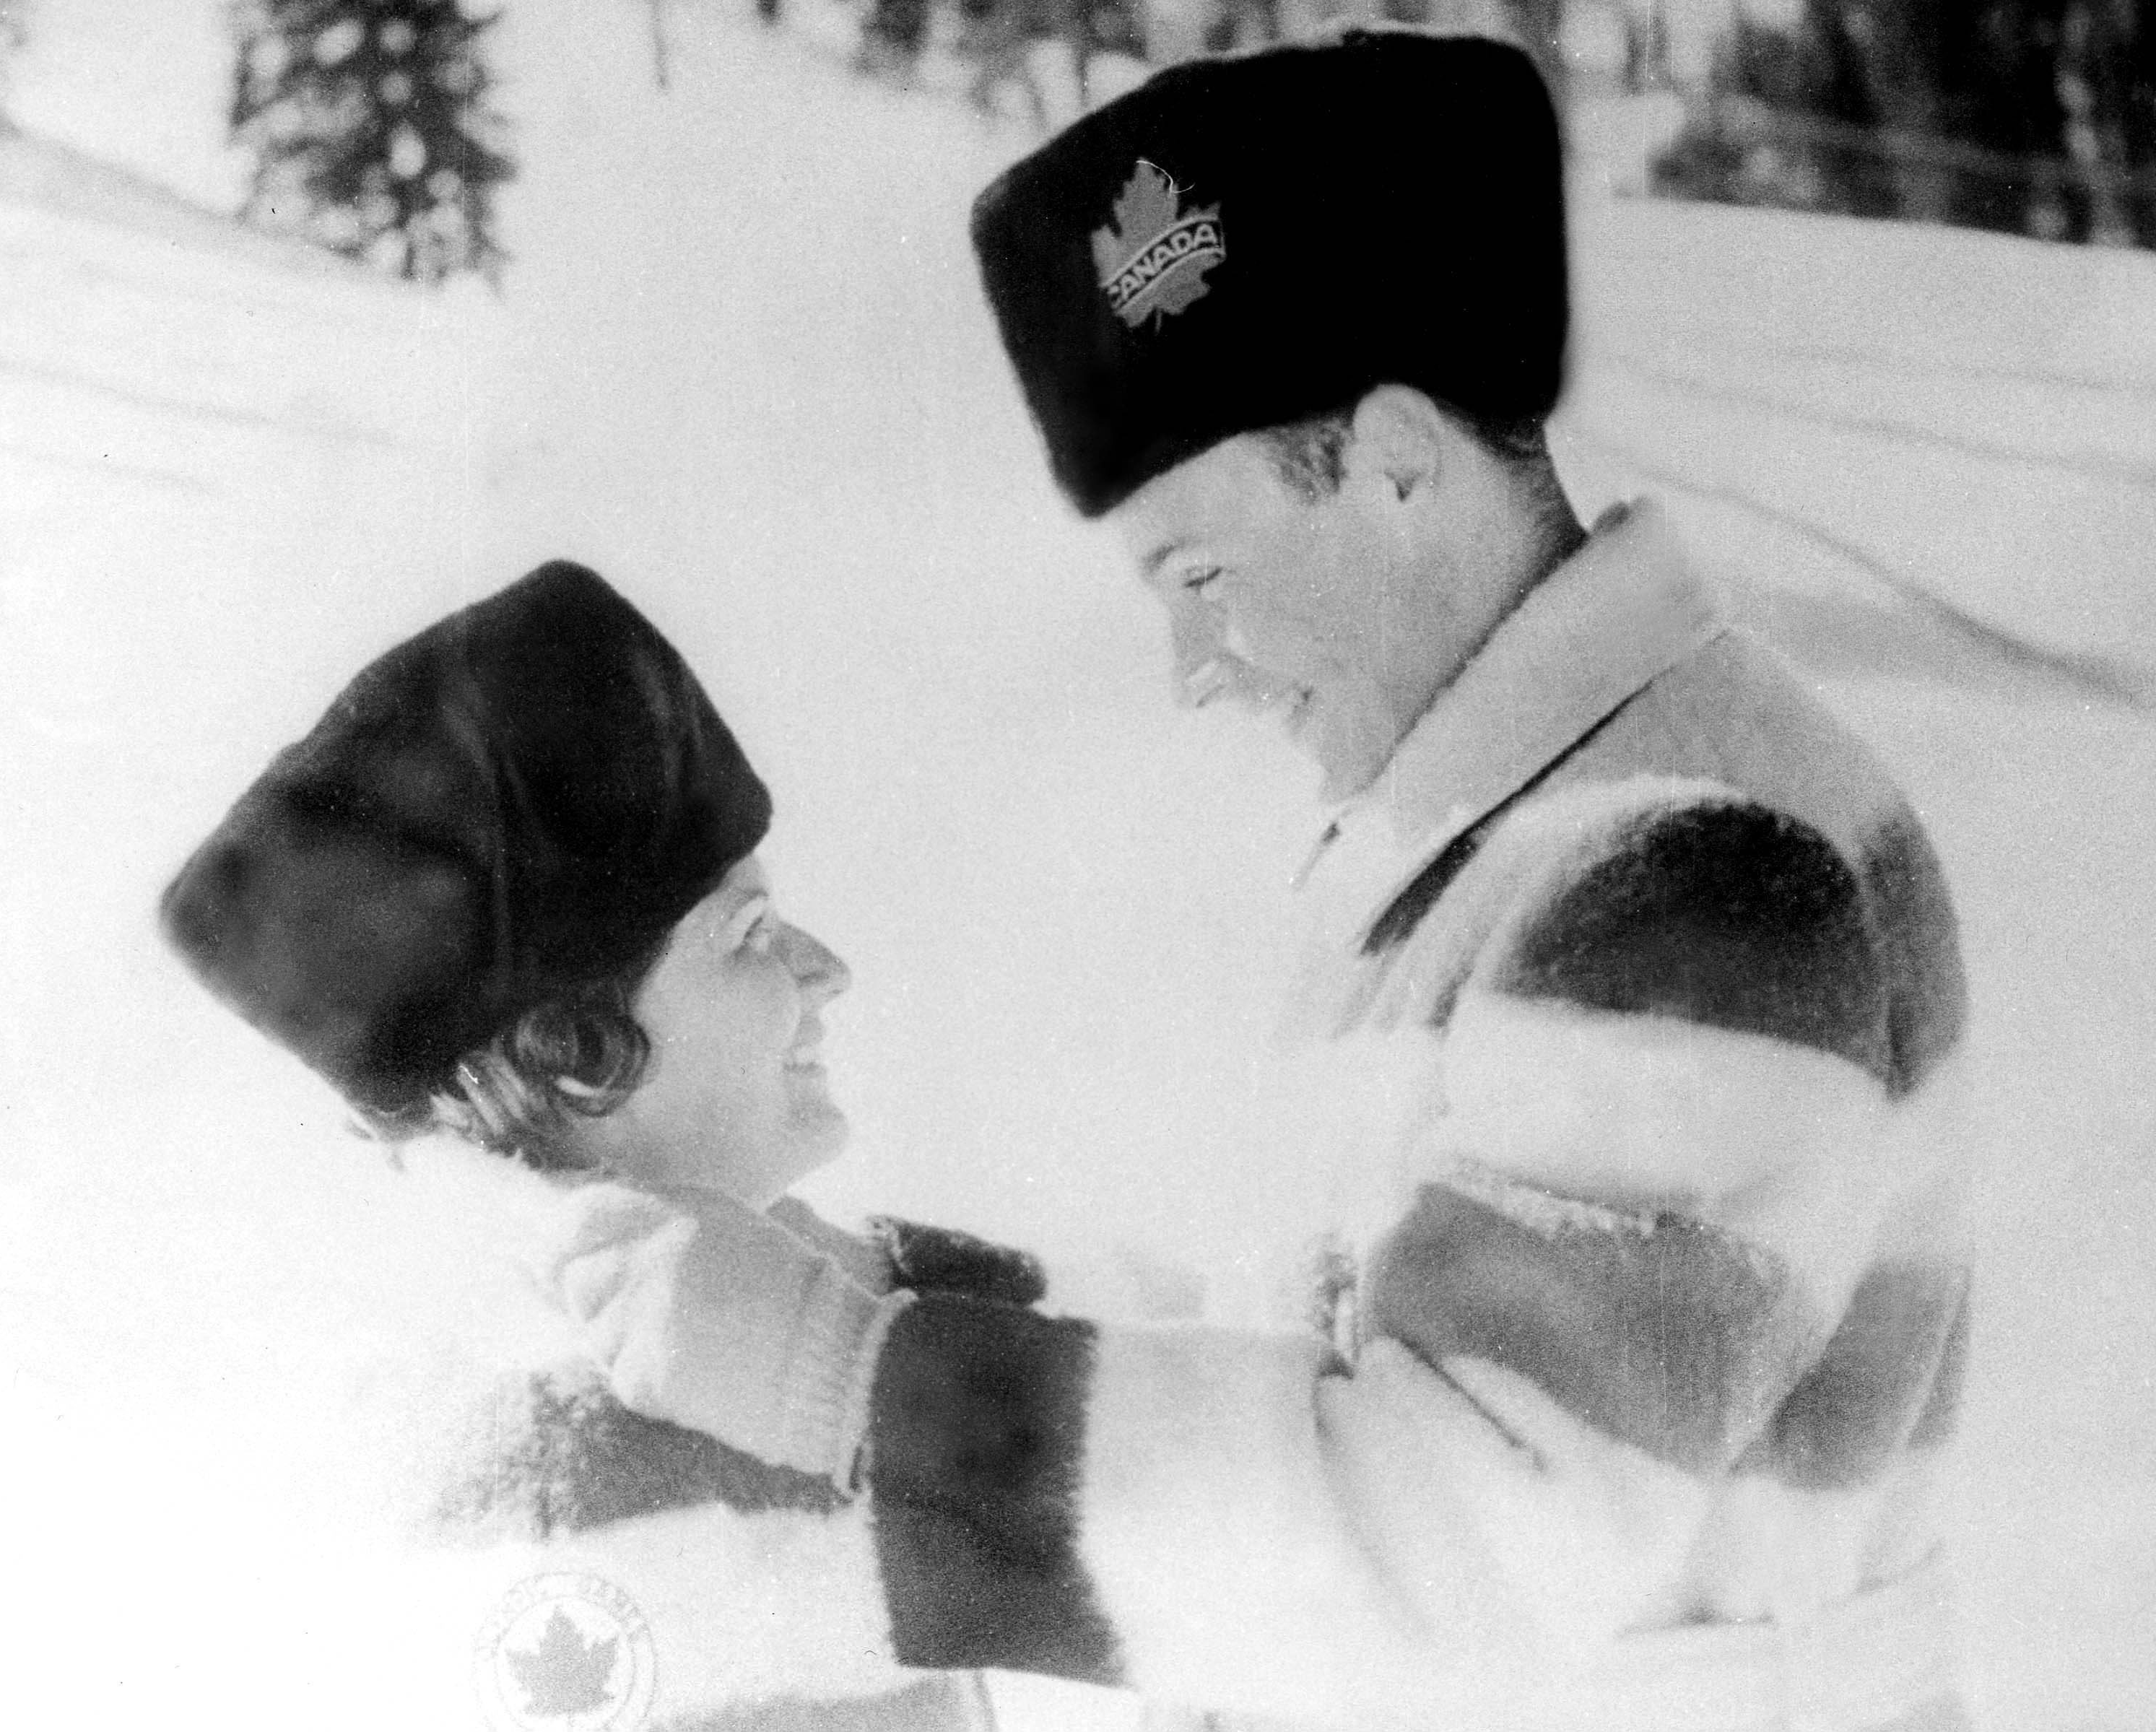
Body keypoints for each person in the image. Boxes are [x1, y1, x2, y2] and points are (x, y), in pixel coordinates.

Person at [417, 29, 1967, 1732]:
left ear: (1393, 457)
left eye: (1204, 572)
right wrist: (902, 1292)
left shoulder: (1688, 875)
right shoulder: (1517, 833)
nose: (1192, 668)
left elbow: (1428, 1564)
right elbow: (1323, 1353)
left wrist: (837, 1370)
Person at [159, 560, 1043, 1731]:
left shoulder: (516, 1395)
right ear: (573, 1050)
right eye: (751, 934)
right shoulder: (627, 1469)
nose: (828, 970)